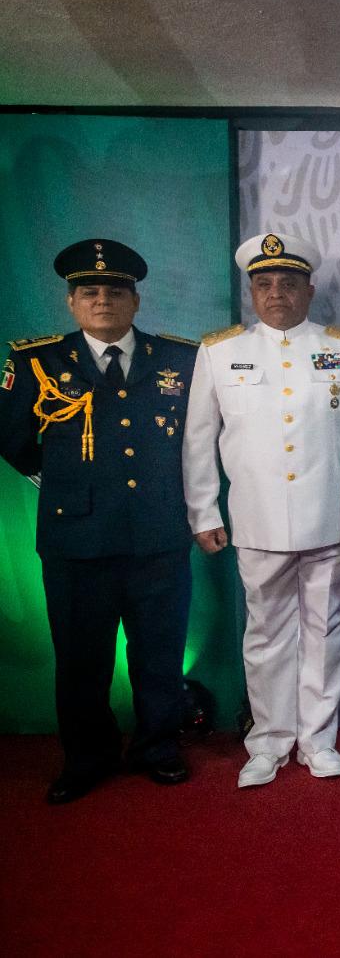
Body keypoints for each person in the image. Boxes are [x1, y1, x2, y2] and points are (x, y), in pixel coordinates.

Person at [0, 239, 196, 803]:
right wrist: (59, 479)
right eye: (90, 291)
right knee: (81, 658)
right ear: (71, 302)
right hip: (76, 539)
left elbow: (199, 439)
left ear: (135, 300)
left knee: (159, 653)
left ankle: (159, 748)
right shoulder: (37, 360)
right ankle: (87, 757)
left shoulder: (180, 359)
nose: (103, 300)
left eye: (116, 290)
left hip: (158, 534)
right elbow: (10, 436)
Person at [183, 233, 340, 787]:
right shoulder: (220, 352)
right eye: (264, 284)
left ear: (309, 289)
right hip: (257, 519)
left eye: (289, 283)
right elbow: (198, 439)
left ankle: (318, 740)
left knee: (327, 630)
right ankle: (266, 742)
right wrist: (203, 512)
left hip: (332, 516)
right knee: (264, 634)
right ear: (251, 293)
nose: (277, 293)